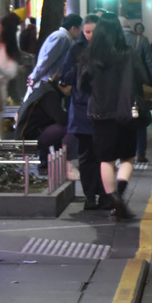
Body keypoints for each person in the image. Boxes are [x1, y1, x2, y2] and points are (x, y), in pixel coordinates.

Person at [78, 17, 149, 220]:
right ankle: (121, 190)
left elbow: (82, 86)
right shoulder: (128, 54)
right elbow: (142, 77)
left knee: (105, 160)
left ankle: (113, 197)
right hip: (125, 113)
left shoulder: (89, 57)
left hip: (100, 115)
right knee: (127, 157)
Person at [59, 15, 104, 210]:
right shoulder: (76, 50)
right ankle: (90, 196)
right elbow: (65, 77)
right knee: (86, 157)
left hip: (103, 110)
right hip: (82, 111)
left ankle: (105, 194)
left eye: (93, 31)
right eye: (87, 32)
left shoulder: (107, 51)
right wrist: (80, 69)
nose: (90, 35)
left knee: (103, 154)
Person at [27, 14, 83, 98]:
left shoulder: (62, 36)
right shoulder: (62, 37)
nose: (81, 33)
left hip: (45, 82)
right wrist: (35, 77)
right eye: (80, 29)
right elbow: (47, 59)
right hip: (45, 82)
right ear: (74, 28)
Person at [130, 23, 152, 166]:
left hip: (116, 92)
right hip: (136, 87)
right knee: (140, 119)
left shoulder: (112, 42)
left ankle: (124, 152)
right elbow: (149, 61)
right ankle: (140, 152)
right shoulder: (141, 41)